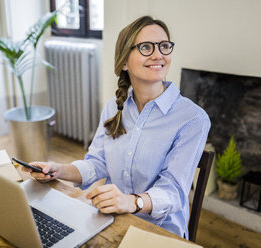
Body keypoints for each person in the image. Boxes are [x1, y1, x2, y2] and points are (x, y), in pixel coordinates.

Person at [22, 15, 210, 239]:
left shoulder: (193, 119)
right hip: (109, 219)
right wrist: (58, 170)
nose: (159, 55)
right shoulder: (114, 107)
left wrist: (132, 201)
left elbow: (174, 192)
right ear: (123, 62)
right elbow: (97, 163)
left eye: (164, 46)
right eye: (146, 47)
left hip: (158, 232)